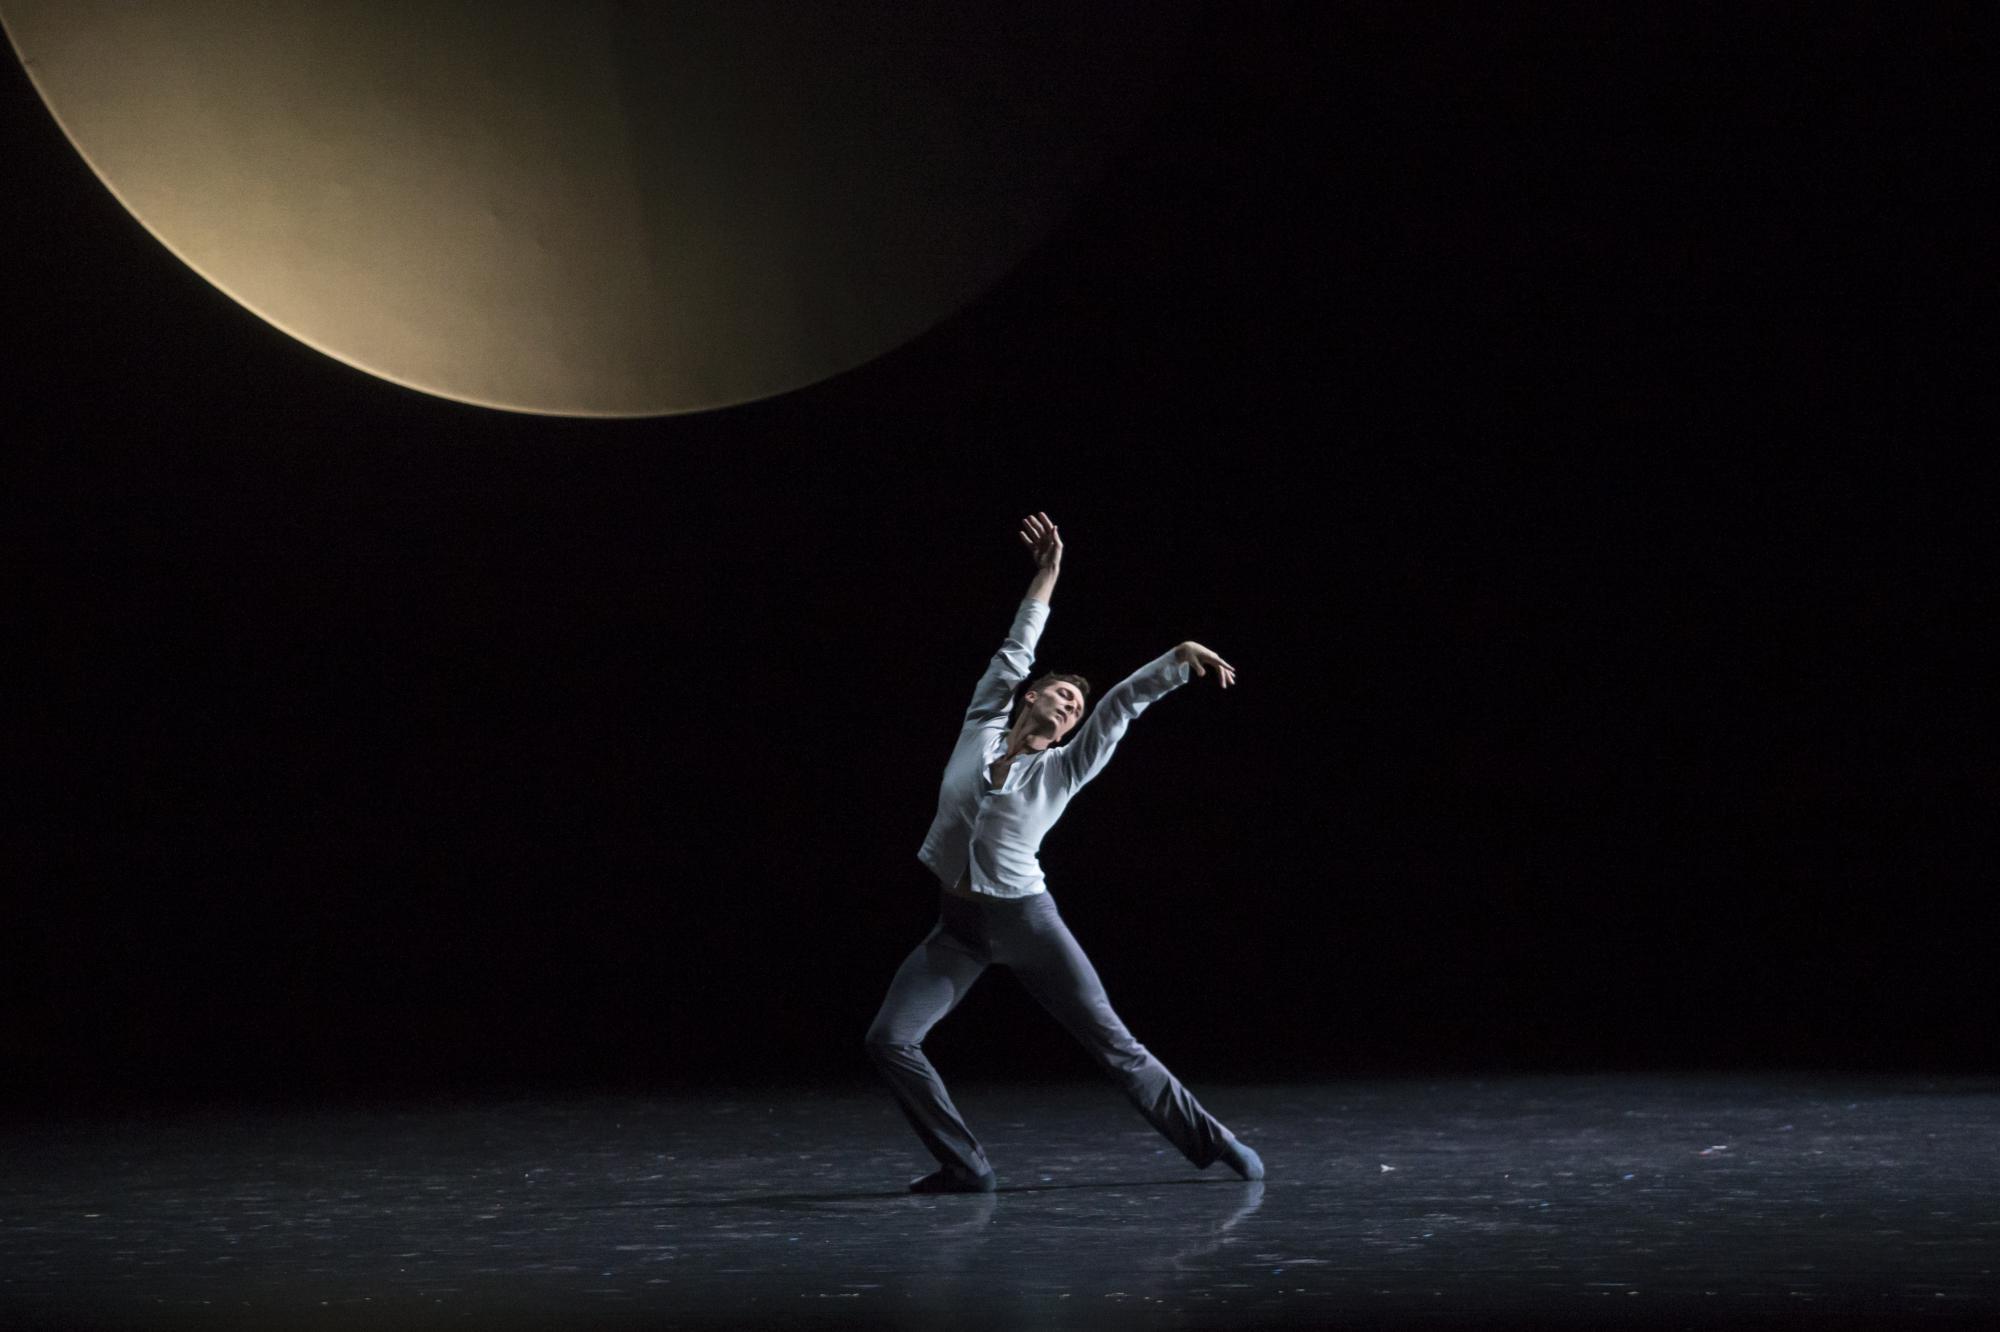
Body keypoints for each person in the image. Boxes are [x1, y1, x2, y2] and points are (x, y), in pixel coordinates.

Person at [865, 512, 1264, 1193]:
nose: (1071, 703)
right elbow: (1013, 651)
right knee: (888, 1041)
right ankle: (967, 1166)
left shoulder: (1063, 769)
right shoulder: (980, 729)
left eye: (1076, 704)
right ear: (1031, 697)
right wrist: (1047, 574)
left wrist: (1176, 660)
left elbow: (1120, 705)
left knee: (1113, 1044)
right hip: (956, 931)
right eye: (1061, 691)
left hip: (1028, 923)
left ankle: (1216, 1140)